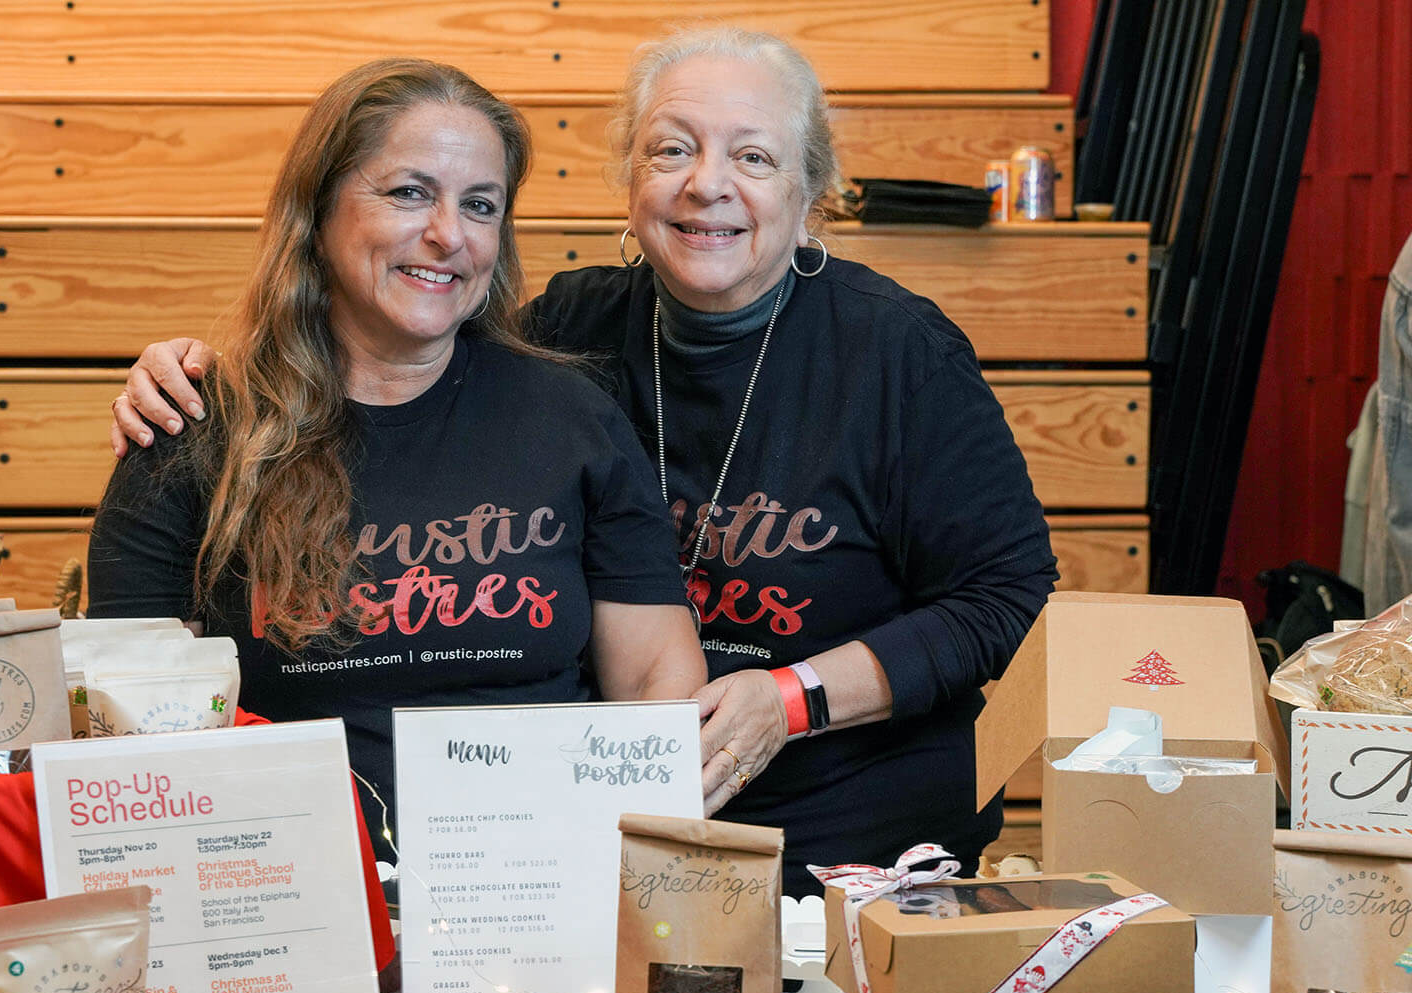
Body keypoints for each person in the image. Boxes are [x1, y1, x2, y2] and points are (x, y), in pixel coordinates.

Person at [110, 28, 1057, 895]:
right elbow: (394, 341)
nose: (706, 183)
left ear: (812, 195)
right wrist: (194, 376)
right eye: (672, 148)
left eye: (754, 157)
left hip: (854, 816)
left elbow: (1005, 596)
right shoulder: (570, 337)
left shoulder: (897, 354)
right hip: (581, 836)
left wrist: (793, 698)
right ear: (630, 180)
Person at [87, 58, 707, 860]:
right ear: (319, 209)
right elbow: (123, 731)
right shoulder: (196, 427)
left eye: (479, 205)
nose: (448, 234)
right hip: (287, 895)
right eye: (409, 192)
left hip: (536, 890)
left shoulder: (576, 417)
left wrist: (617, 872)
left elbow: (659, 680)